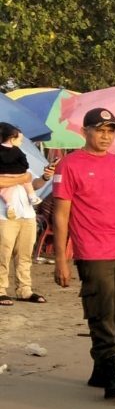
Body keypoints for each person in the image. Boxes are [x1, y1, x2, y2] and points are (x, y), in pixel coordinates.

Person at [52, 108, 115, 399]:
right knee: (100, 311)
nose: (106, 136)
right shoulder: (69, 165)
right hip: (91, 250)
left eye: (111, 131)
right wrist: (61, 260)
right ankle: (110, 374)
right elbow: (61, 215)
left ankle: (100, 369)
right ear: (85, 131)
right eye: (100, 130)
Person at [0, 123, 54, 307]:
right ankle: (0, 290)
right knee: (3, 254)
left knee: (24, 255)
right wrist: (22, 178)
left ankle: (24, 289)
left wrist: (46, 177)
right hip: (4, 215)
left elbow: (34, 183)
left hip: (27, 213)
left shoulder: (19, 159)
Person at [0, 124, 41, 219]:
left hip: (27, 215)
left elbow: (32, 180)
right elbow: (26, 174)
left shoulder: (16, 151)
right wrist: (22, 177)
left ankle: (10, 205)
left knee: (5, 192)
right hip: (3, 218)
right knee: (26, 183)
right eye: (20, 140)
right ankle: (32, 197)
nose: (21, 143)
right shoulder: (17, 152)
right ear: (12, 139)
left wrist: (45, 177)